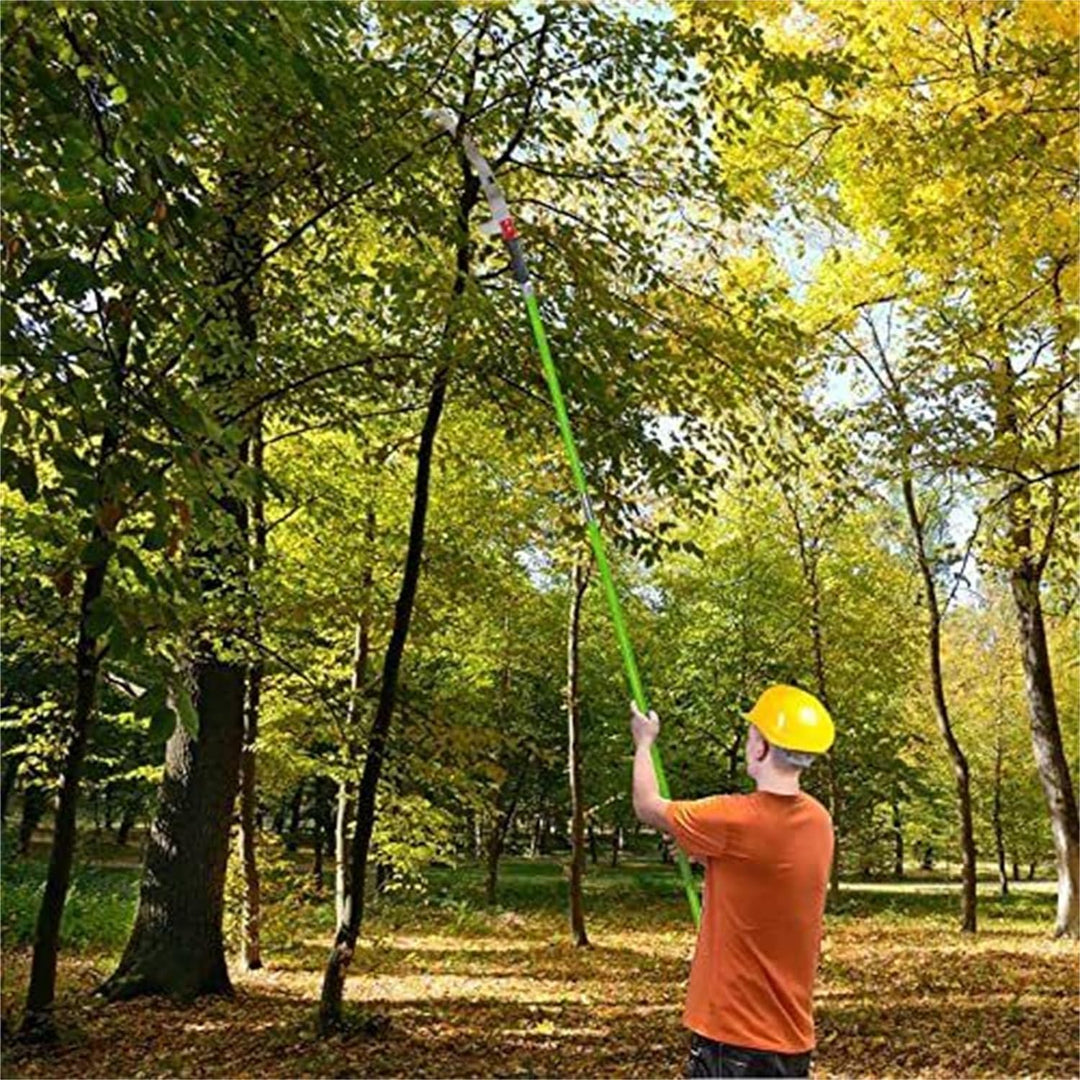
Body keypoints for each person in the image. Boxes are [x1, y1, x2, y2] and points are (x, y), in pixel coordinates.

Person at [630, 684, 835, 1079]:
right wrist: (710, 857)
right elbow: (771, 873)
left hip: (734, 1041)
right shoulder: (818, 821)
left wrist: (644, 742)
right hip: (790, 1043)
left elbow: (647, 805)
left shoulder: (733, 818)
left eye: (751, 734)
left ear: (760, 747)